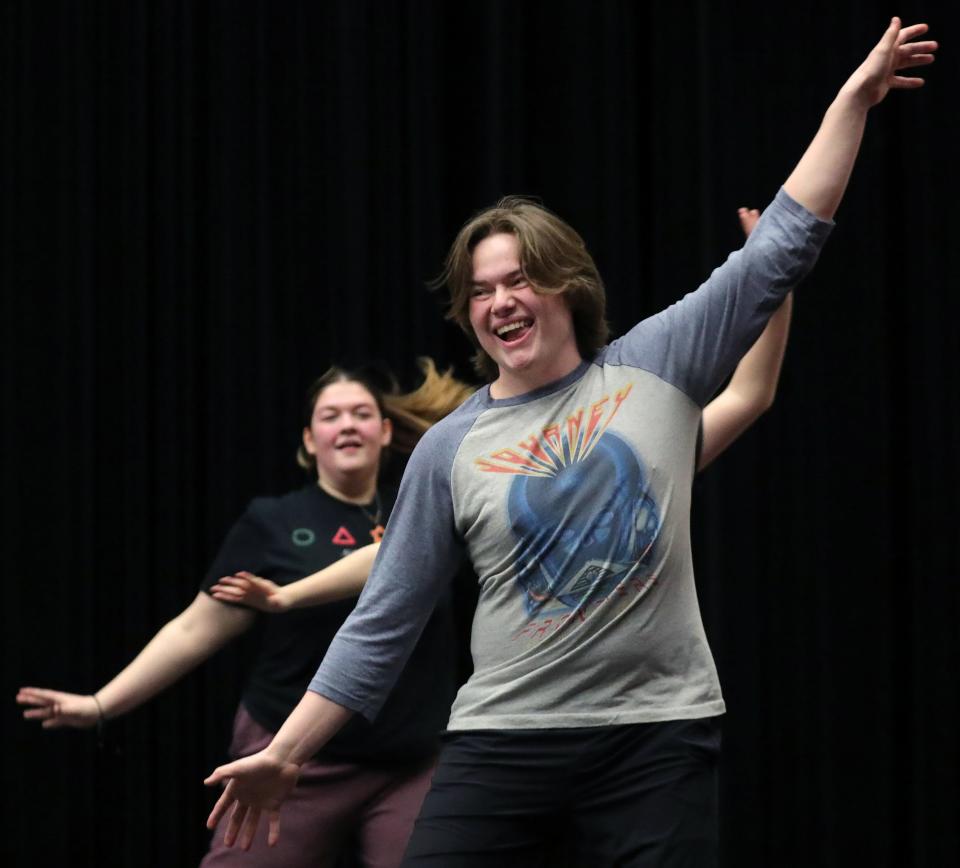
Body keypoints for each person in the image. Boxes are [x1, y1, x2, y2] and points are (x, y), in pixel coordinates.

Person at [202, 20, 936, 866]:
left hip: (654, 741)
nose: (501, 301)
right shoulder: (450, 447)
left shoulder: (656, 367)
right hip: (503, 743)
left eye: (519, 278)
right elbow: (383, 622)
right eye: (481, 291)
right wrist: (286, 752)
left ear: (565, 285)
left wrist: (852, 100)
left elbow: (783, 245)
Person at [208, 206, 785, 614]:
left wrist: (771, 282)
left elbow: (749, 395)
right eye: (484, 291)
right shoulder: (480, 458)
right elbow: (393, 570)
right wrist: (290, 596)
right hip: (516, 726)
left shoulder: (645, 449)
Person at [17, 359, 473, 868]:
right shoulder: (272, 522)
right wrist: (101, 704)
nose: (347, 425)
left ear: (385, 431)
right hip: (291, 756)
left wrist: (287, 596)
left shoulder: (421, 506)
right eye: (331, 416)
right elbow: (194, 629)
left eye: (361, 413)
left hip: (408, 761)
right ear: (308, 439)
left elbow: (389, 559)